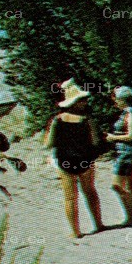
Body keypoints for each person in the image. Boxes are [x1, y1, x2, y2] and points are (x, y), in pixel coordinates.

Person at [43, 80, 104, 238]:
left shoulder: (57, 120)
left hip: (65, 160)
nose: (85, 102)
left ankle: (75, 232)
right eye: (82, 100)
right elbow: (95, 142)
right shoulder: (87, 120)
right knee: (90, 192)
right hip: (85, 160)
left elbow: (48, 144)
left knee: (70, 197)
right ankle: (98, 224)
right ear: (76, 102)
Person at [105, 86, 132, 227]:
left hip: (126, 153)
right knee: (130, 184)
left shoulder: (131, 114)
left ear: (122, 100)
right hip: (124, 152)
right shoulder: (127, 113)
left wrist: (113, 138)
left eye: (116, 99)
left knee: (117, 185)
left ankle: (130, 215)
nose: (115, 102)